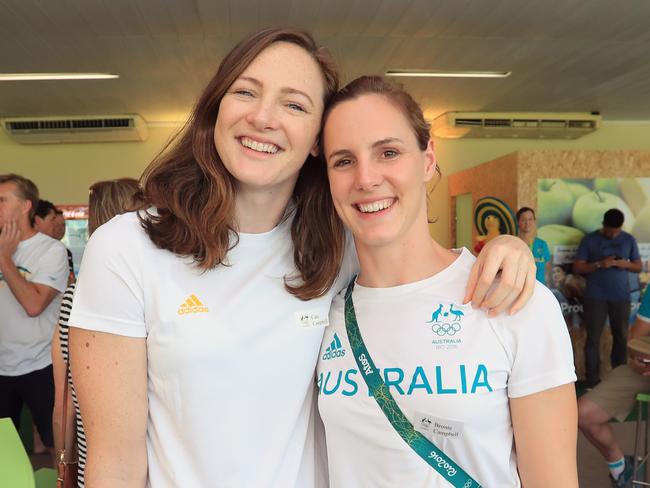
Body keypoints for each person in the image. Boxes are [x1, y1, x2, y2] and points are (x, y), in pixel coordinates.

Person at [68, 28, 536, 487]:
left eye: (294, 104)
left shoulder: (340, 246)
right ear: (215, 110)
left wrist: (509, 248)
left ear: (317, 140)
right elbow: (115, 467)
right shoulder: (127, 249)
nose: (264, 118)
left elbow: (422, 268)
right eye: (246, 93)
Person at [317, 76, 578, 487]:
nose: (365, 178)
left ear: (427, 159)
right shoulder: (320, 311)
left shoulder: (513, 299)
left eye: (388, 152)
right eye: (343, 160)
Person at [52, 178, 139, 488]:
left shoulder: (75, 297)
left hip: (98, 469)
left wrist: (65, 459)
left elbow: (64, 403)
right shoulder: (164, 288)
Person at [0, 174, 69, 458]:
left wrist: (4, 259)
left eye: (2, 200)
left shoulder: (51, 250)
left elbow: (34, 305)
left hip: (41, 365)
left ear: (26, 205)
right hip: (2, 367)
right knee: (6, 450)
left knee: (57, 447)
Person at [578, 287, 650, 487]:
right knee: (583, 413)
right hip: (646, 370)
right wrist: (638, 357)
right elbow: (637, 338)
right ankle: (620, 469)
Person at [573, 208, 642, 387]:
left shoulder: (628, 239)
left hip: (621, 296)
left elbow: (638, 266)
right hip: (595, 296)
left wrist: (623, 263)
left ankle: (619, 381)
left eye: (617, 231)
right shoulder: (590, 240)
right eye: (611, 231)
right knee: (593, 338)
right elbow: (578, 267)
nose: (614, 234)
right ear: (603, 225)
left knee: (620, 337)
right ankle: (592, 381)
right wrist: (599, 264)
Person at [35, 199, 74, 283]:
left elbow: (70, 281)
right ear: (37, 220)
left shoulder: (59, 250)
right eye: (53, 220)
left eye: (63, 225)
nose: (57, 226)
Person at [517, 206, 551, 284]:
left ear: (534, 221)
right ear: (518, 222)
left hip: (539, 291)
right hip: (519, 292)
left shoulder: (542, 244)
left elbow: (547, 273)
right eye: (523, 220)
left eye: (530, 219)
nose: (527, 223)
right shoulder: (513, 244)